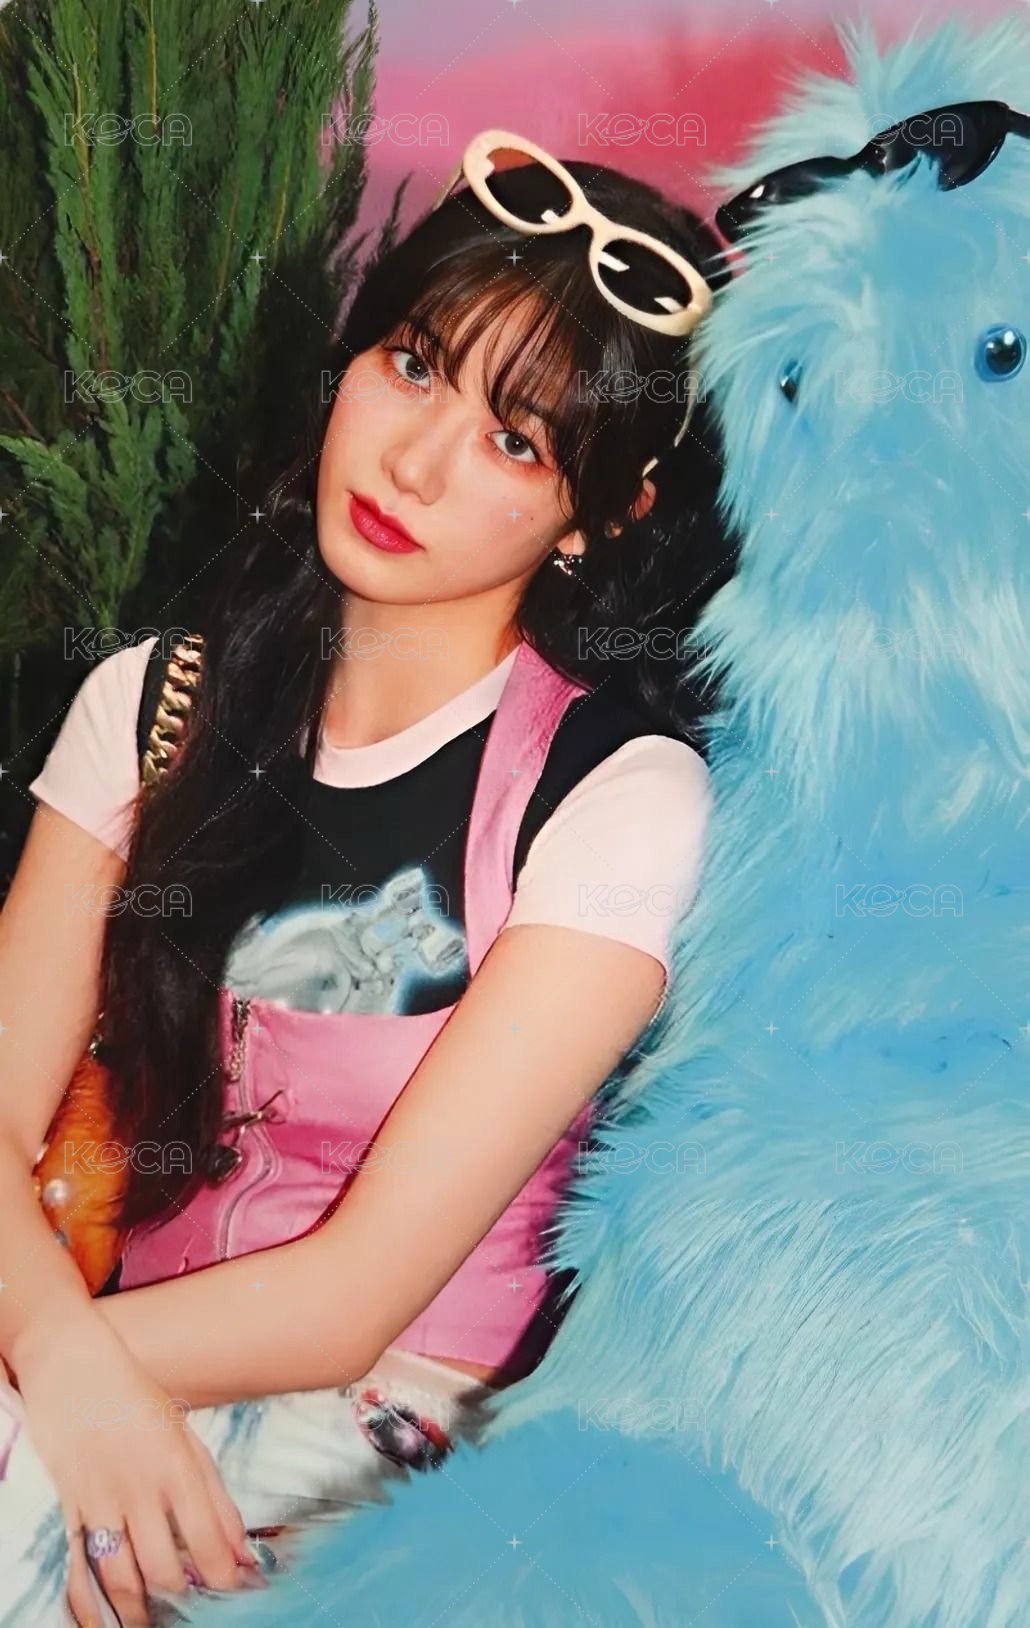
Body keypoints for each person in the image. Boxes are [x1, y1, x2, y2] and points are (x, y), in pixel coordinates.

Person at [0, 131, 732, 1626]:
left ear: (600, 515)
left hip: (402, 1462)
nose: (415, 462)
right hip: (102, 1376)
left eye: (516, 442)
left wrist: (64, 1375)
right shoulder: (150, 705)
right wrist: (69, 1378)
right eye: (412, 365)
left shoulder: (614, 797)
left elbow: (354, 1299)